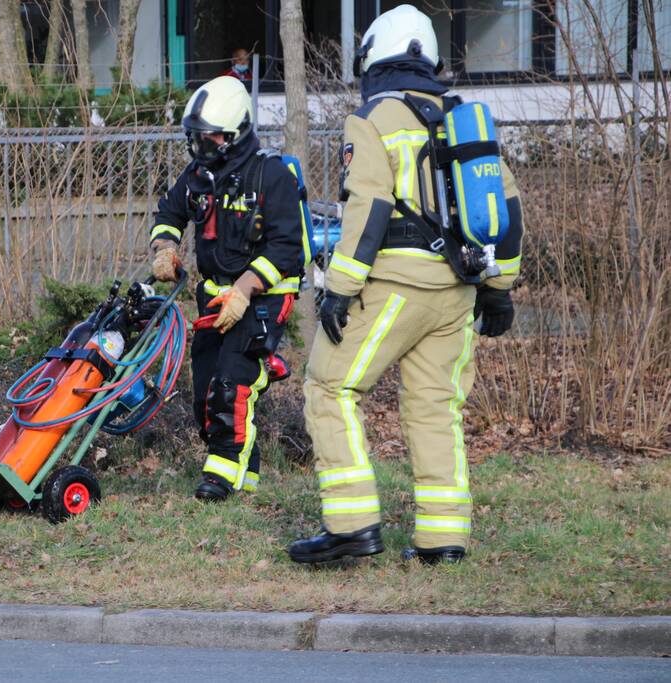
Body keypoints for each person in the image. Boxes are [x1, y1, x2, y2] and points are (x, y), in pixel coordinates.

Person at [289, 4, 523, 565]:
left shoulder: (373, 118)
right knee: (436, 407)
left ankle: (351, 529)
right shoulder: (463, 118)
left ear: (374, 57)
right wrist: (499, 288)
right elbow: (507, 208)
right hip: (459, 292)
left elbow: (366, 208)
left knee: (329, 388)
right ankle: (442, 541)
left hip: (395, 286)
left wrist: (339, 289)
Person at [150, 76, 306, 501]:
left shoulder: (270, 176)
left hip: (262, 297)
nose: (201, 146)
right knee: (205, 393)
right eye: (196, 138)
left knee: (231, 384)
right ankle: (245, 470)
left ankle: (219, 477)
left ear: (235, 135)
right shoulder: (199, 175)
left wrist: (244, 288)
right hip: (213, 297)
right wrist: (165, 247)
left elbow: (287, 248)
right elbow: (170, 212)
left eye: (210, 137)